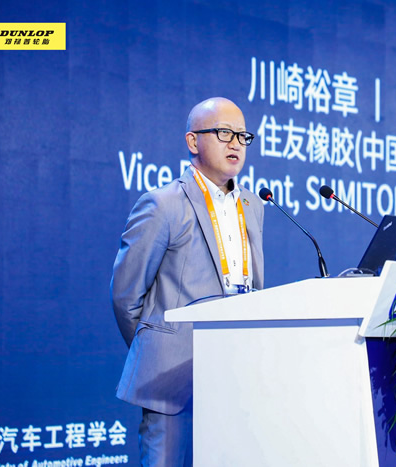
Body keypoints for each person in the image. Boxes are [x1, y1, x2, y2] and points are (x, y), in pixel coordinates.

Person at [111, 97, 264, 466]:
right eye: (224, 133)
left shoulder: (253, 205)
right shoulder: (163, 204)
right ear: (193, 141)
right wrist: (160, 348)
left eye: (242, 136)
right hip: (170, 382)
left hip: (232, 378)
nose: (235, 143)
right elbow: (126, 296)